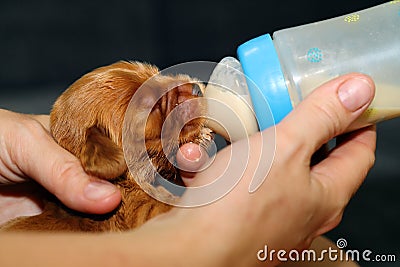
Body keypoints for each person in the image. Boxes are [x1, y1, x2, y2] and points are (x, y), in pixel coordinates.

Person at [0, 73, 376, 267]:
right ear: (104, 158)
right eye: (152, 107)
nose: (189, 89)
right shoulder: (142, 216)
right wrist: (209, 244)